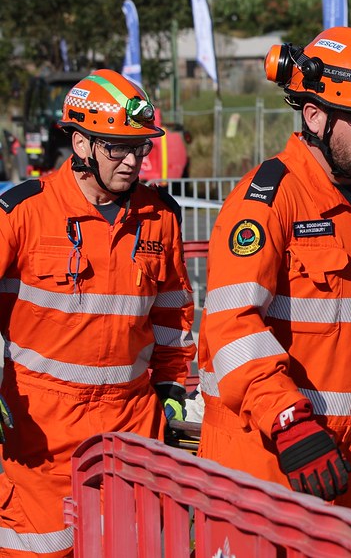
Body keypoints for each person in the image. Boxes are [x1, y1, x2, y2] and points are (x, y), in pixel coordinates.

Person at [196, 27, 351, 522]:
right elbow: (231, 326)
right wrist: (289, 421)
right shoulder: (268, 199)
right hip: (269, 452)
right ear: (315, 116)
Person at [0, 70, 195, 558]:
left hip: (130, 429)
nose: (132, 162)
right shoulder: (23, 213)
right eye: (117, 148)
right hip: (39, 434)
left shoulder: (160, 216)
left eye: (140, 148)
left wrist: (171, 386)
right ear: (81, 144)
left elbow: (172, 313)